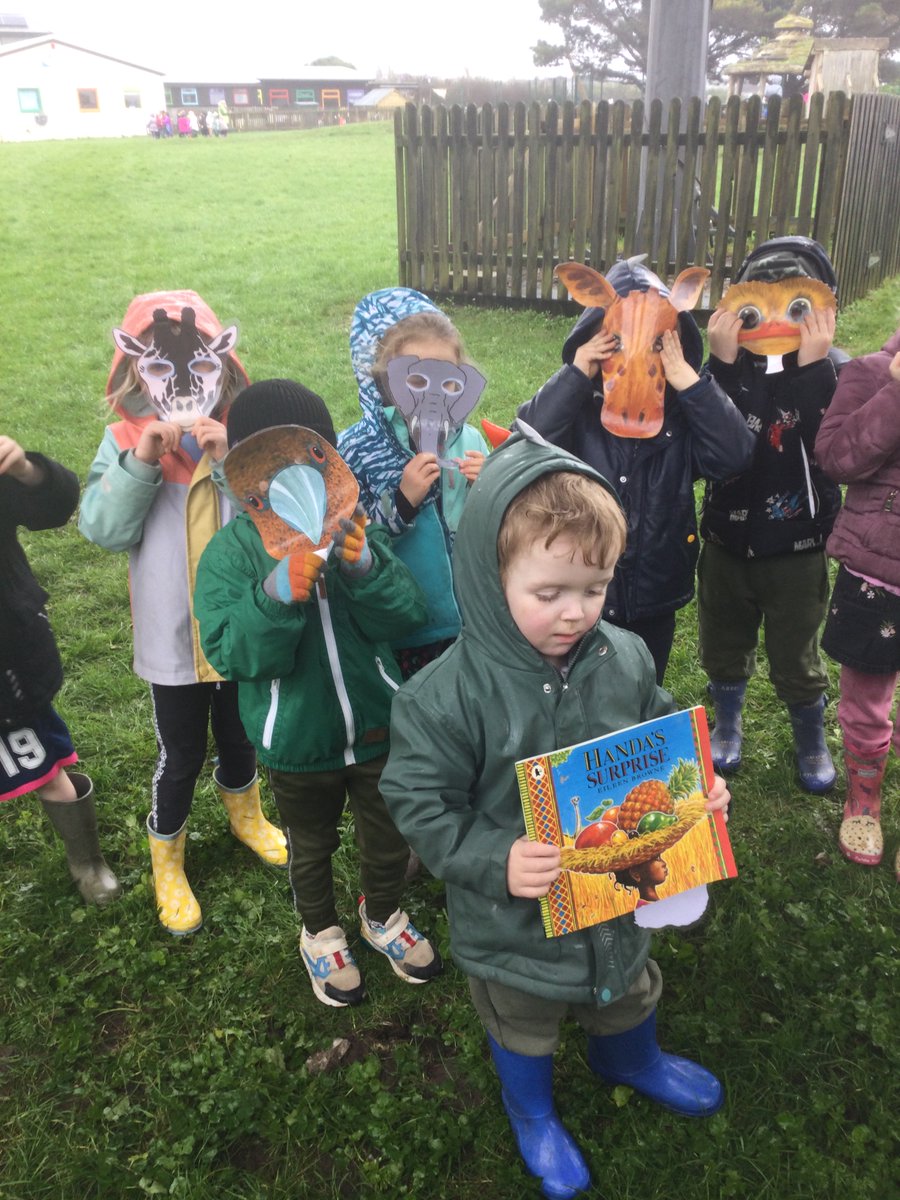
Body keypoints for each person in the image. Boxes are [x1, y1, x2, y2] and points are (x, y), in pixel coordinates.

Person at [380, 429, 730, 1199]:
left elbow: (660, 729)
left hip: (620, 897)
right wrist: (491, 857)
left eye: (596, 587)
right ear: (488, 574)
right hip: (516, 925)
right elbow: (417, 799)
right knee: (525, 1019)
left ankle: (630, 1058)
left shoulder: (627, 656)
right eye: (550, 593)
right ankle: (531, 1110)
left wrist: (695, 787)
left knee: (631, 985)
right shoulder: (443, 697)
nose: (576, 613)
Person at [194, 379, 442, 1007]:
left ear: (328, 457)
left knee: (386, 832)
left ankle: (381, 913)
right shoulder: (230, 554)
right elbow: (227, 650)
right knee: (311, 843)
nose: (290, 478)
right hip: (294, 738)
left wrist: (364, 568)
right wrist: (274, 596)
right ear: (243, 476)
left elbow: (405, 614)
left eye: (309, 456)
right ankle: (320, 932)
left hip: (376, 724)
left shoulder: (355, 527)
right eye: (268, 462)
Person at [78, 291, 285, 936]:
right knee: (181, 749)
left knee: (241, 729)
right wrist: (142, 461)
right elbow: (104, 529)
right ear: (138, 370)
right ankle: (167, 856)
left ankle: (246, 815)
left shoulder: (242, 436)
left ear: (222, 364)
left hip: (239, 628)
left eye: (199, 365)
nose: (183, 382)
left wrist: (230, 460)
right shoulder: (122, 442)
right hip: (172, 636)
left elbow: (275, 522)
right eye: (163, 369)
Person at [517, 257, 754, 685]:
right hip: (580, 582)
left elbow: (733, 455)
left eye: (655, 345)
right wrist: (576, 374)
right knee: (576, 680)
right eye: (617, 343)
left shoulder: (683, 416)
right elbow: (529, 436)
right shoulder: (579, 408)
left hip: (655, 586)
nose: (635, 358)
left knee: (644, 677)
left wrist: (690, 383)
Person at [699, 236, 842, 792]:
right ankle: (727, 720)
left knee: (796, 647)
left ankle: (810, 735)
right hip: (726, 540)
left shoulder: (834, 372)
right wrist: (723, 362)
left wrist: (812, 370)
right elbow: (712, 434)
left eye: (798, 305)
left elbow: (834, 450)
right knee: (723, 639)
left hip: (798, 547)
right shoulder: (730, 369)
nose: (780, 317)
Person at [339, 288, 488, 679]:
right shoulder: (357, 448)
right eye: (417, 377)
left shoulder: (469, 440)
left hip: (469, 617)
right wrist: (403, 500)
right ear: (383, 378)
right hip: (403, 622)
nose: (433, 393)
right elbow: (352, 539)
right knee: (412, 715)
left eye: (447, 379)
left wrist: (490, 483)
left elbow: (497, 525)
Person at [0, 435, 120, 905]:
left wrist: (27, 470)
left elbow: (52, 508)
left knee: (42, 763)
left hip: (8, 658)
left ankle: (86, 861)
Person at [815, 325, 900, 876]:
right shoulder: (867, 373)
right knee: (866, 699)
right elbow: (837, 459)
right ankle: (863, 800)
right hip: (877, 573)